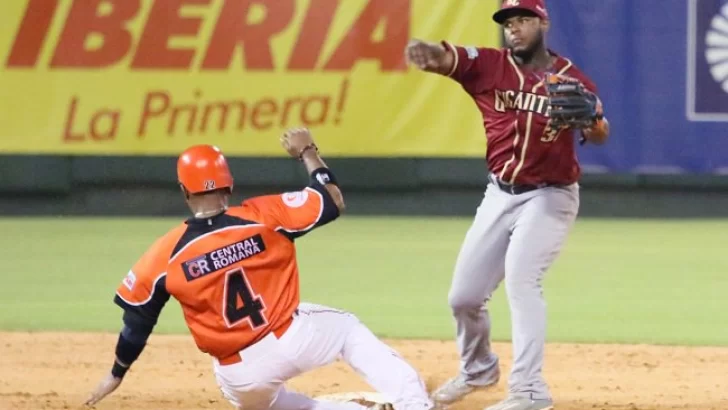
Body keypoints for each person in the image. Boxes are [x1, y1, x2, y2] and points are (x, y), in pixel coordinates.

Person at [84, 128, 435, 410]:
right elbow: (332, 200)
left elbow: (137, 324)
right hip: (293, 339)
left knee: (270, 404)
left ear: (183, 191)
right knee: (345, 329)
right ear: (229, 183)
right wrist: (307, 151)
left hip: (240, 375)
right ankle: (414, 404)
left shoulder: (164, 253)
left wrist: (117, 374)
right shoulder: (263, 216)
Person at [404, 1, 610, 410]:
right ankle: (478, 368)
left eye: (524, 20)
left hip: (551, 195)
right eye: (509, 22)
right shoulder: (488, 66)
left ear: (543, 23)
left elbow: (601, 133)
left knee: (521, 281)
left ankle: (530, 392)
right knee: (463, 297)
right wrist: (431, 54)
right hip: (499, 193)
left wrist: (594, 121)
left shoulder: (572, 79)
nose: (514, 29)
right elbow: (449, 58)